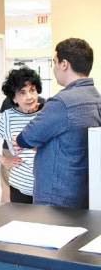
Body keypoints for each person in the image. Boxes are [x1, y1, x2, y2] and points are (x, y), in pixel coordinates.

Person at [15, 38, 101, 209]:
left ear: (64, 64)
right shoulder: (95, 98)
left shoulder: (62, 102)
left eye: (54, 62)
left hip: (56, 197)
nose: (54, 68)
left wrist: (24, 142)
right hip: (84, 193)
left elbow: (25, 138)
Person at [0, 67, 43, 204]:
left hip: (46, 187)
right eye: (22, 93)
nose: (29, 97)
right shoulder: (8, 117)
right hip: (19, 187)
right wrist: (4, 160)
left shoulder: (47, 113)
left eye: (32, 90)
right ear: (14, 98)